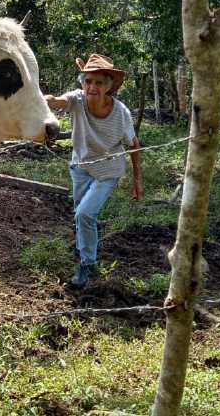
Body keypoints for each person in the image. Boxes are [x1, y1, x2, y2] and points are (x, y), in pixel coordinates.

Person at [45, 54, 143, 289]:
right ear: (82, 83)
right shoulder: (77, 100)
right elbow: (57, 101)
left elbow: (134, 144)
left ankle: (87, 265)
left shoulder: (121, 113)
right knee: (81, 213)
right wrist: (43, 98)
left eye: (99, 83)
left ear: (109, 86)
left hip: (108, 171)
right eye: (88, 81)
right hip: (80, 168)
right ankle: (83, 247)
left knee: (84, 214)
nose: (92, 87)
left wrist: (137, 180)